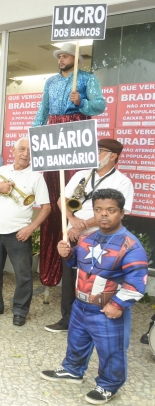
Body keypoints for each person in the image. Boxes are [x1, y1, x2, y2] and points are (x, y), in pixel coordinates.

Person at [40, 189, 148, 405]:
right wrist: (68, 254)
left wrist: (117, 305)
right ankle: (72, 370)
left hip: (107, 309)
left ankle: (109, 385)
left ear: (122, 213)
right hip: (81, 304)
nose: (103, 215)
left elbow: (137, 283)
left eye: (111, 210)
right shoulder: (87, 237)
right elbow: (78, 265)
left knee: (111, 350)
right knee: (76, 341)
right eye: (98, 210)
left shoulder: (131, 245)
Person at [32, 43, 106, 292]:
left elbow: (100, 105)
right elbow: (43, 110)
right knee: (54, 199)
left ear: (75, 59)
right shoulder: (51, 82)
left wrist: (81, 101)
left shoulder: (87, 78)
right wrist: (35, 137)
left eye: (65, 55)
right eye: (59, 56)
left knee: (77, 193)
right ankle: (53, 264)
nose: (61, 59)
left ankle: (80, 260)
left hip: (77, 132)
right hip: (53, 135)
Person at [45, 138, 134, 333]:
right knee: (70, 279)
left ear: (113, 156)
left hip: (100, 238)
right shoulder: (81, 175)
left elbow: (116, 211)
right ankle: (67, 319)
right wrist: (72, 219)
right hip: (73, 233)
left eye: (100, 151)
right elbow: (62, 200)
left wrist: (83, 224)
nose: (95, 154)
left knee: (96, 280)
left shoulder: (122, 181)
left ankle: (96, 320)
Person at [0, 138, 51, 326]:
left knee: (23, 274)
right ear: (14, 150)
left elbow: (46, 207)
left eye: (29, 151)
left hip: (19, 232)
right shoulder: (1, 171)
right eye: (22, 149)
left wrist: (30, 228)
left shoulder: (36, 176)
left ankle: (20, 311)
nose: (26, 153)